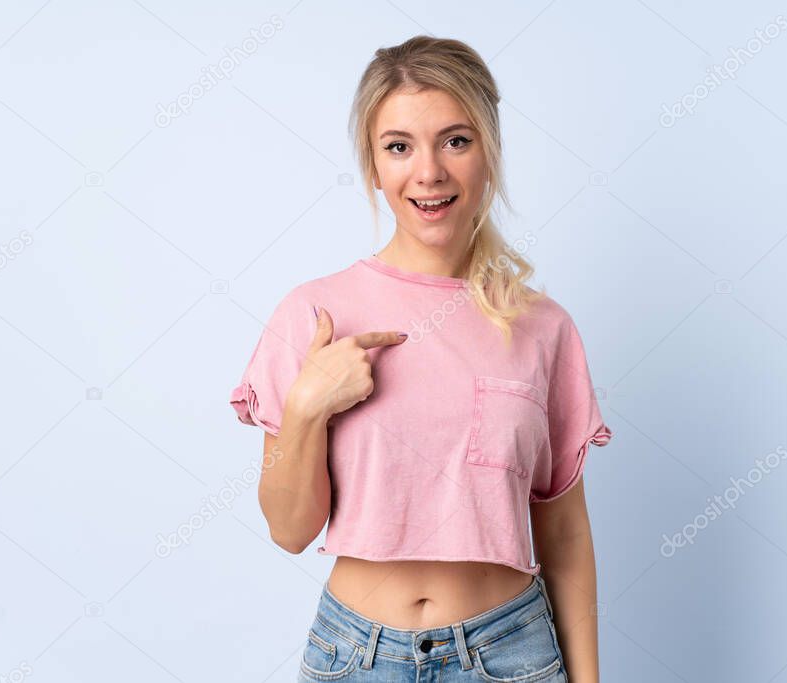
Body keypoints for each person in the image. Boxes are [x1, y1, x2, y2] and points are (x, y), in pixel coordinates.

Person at [230, 35, 612, 683]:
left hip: (509, 650)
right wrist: (306, 406)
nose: (428, 170)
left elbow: (566, 535)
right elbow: (291, 530)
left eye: (455, 140)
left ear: (489, 151)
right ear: (374, 165)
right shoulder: (314, 314)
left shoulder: (543, 328)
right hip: (355, 656)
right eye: (399, 146)